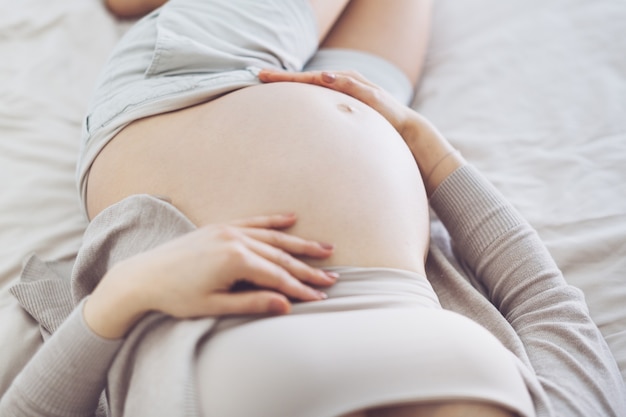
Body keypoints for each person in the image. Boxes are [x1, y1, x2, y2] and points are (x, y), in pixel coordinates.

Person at [2, 0, 625, 416]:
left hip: (188, 89)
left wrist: (128, 294)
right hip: (380, 132)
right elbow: (550, 313)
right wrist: (433, 156)